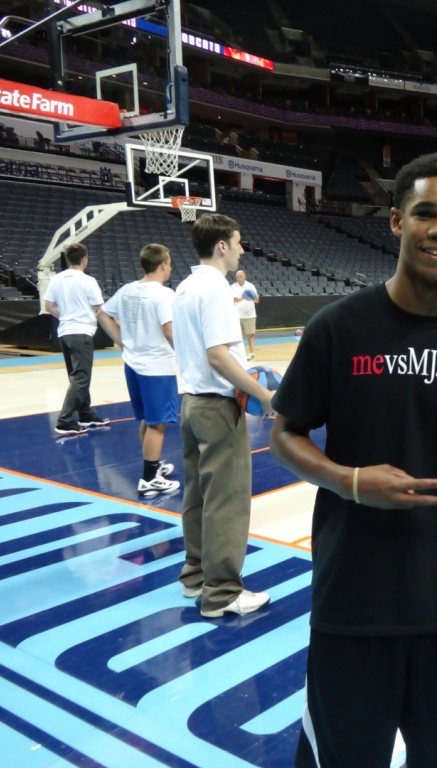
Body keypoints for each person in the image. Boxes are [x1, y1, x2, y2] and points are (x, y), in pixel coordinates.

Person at [268, 152, 437, 768]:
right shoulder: (338, 328)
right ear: (395, 220)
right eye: (426, 214)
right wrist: (350, 481)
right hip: (351, 605)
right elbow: (286, 434)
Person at [172, 213, 275, 618]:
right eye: (238, 241)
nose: (242, 249)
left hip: (190, 403)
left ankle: (195, 575)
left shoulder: (184, 286)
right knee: (227, 500)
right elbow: (218, 356)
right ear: (221, 246)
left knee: (197, 495)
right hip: (216, 407)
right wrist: (263, 394)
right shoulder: (215, 289)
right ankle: (222, 594)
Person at [97, 244, 181, 497]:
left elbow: (102, 314)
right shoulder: (164, 294)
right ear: (164, 264)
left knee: (147, 419)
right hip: (156, 367)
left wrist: (122, 341)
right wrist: (188, 358)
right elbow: (169, 331)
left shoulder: (127, 290)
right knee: (158, 424)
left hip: (133, 365)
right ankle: (149, 479)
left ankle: (152, 466)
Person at [43, 242, 110, 436]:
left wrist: (64, 316)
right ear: (84, 259)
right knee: (81, 378)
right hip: (81, 333)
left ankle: (85, 412)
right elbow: (99, 309)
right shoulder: (88, 281)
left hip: (64, 332)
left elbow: (48, 306)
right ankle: (64, 421)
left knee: (76, 377)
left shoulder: (56, 279)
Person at [230, 269, 259, 360]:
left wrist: (253, 298)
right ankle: (239, 354)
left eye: (240, 276)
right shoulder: (233, 286)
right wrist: (243, 297)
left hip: (249, 314)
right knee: (237, 335)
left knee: (250, 335)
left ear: (244, 276)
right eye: (237, 276)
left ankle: (252, 353)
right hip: (237, 315)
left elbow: (257, 300)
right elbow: (233, 299)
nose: (239, 278)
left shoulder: (250, 286)